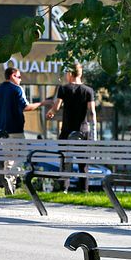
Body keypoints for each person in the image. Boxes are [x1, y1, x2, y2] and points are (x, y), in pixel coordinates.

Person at [0, 67, 46, 193]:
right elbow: (26, 107)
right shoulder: (16, 89)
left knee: (9, 157)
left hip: (2, 131)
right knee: (22, 155)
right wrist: (42, 103)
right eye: (19, 77)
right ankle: (9, 177)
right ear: (13, 76)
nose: (20, 79)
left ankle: (10, 185)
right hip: (15, 129)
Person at [46, 63, 97, 191]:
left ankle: (64, 189)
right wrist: (94, 130)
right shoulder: (88, 90)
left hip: (67, 130)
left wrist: (50, 112)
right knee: (83, 163)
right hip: (83, 130)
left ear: (69, 74)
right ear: (80, 74)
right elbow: (92, 112)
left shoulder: (63, 89)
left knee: (66, 160)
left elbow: (56, 107)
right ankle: (84, 190)